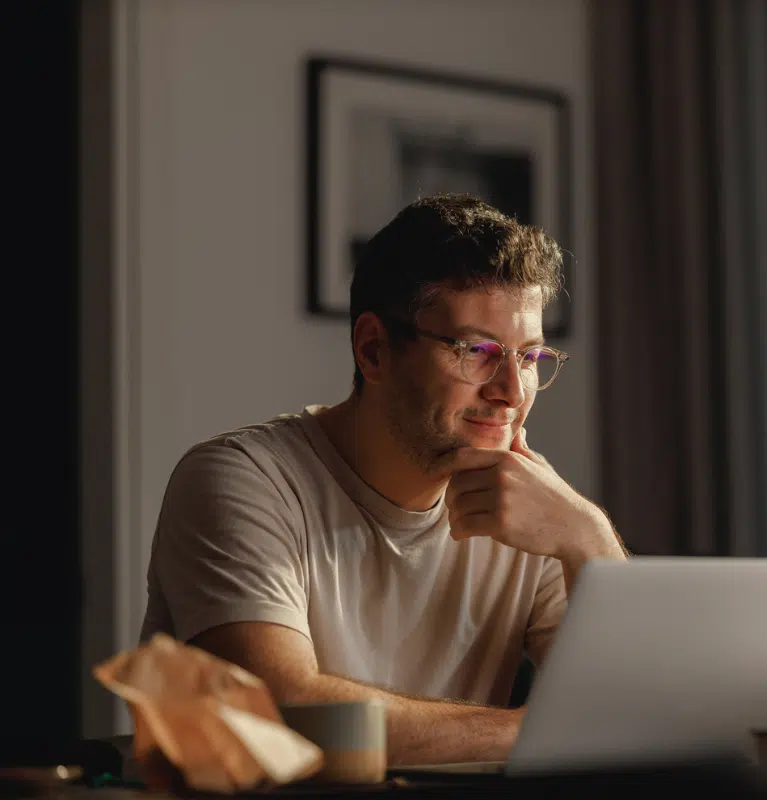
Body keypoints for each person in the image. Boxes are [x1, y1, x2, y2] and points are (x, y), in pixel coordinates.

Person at [140, 194, 628, 765]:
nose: (512, 394)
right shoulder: (243, 482)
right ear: (373, 350)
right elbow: (278, 714)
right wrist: (540, 732)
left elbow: (644, 715)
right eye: (477, 351)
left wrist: (588, 538)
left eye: (528, 358)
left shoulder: (533, 510)